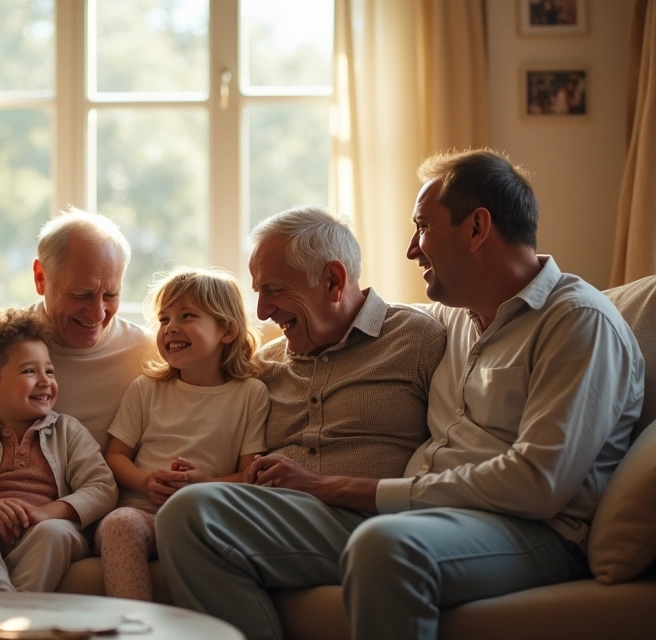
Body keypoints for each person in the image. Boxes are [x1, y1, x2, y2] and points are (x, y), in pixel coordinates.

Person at [157, 149, 645, 640]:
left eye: (423, 227)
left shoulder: (579, 322)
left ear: (477, 229)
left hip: (530, 530)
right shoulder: (455, 320)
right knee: (191, 516)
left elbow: (539, 485)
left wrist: (344, 487)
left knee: (385, 544)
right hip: (410, 519)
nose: (412, 249)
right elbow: (346, 324)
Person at [95, 266, 269, 602]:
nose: (171, 328)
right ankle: (135, 630)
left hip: (202, 517)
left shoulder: (251, 394)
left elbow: (251, 476)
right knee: (119, 524)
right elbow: (114, 456)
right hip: (142, 516)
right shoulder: (146, 389)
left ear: (227, 331)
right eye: (164, 320)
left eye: (187, 316)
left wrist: (202, 484)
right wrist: (147, 482)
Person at [249, 206, 445, 479]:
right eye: (259, 292)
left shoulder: (418, 339)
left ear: (333, 281)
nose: (262, 311)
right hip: (267, 510)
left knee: (193, 503)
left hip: (368, 514)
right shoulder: (262, 365)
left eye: (276, 290)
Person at [0, 306, 117, 592]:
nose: (45, 381)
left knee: (51, 533)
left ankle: (18, 613)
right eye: (30, 371)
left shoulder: (68, 431)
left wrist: (48, 512)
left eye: (49, 370)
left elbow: (103, 487)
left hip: (50, 528)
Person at [30, 208, 156, 446]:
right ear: (40, 278)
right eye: (81, 294)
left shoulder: (148, 353)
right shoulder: (0, 345)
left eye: (111, 294)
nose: (98, 313)